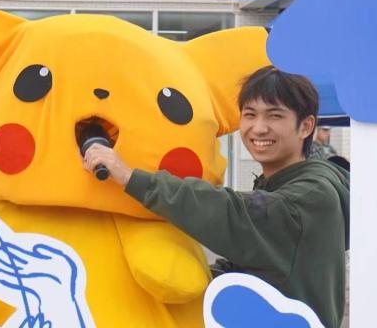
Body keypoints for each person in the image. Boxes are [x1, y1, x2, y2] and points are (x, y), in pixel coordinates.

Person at [82, 66, 350, 328]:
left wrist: (132, 178)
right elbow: (249, 266)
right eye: (250, 114)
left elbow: (235, 213)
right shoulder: (279, 185)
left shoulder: (311, 195)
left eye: (275, 116)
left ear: (306, 126)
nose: (258, 128)